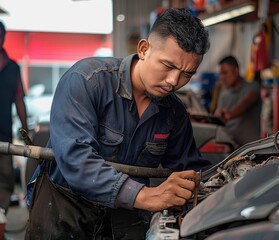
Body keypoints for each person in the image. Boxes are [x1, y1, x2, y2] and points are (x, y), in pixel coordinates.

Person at [25, 8, 211, 239]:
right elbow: (77, 160)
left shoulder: (174, 113)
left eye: (187, 74)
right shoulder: (86, 81)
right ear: (144, 49)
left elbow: (190, 168)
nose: (174, 81)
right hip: (65, 213)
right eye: (168, 66)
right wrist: (146, 196)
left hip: (123, 222)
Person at [0, 21, 28, 215]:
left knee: (5, 181)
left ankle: (1, 222)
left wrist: (25, 130)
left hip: (4, 134)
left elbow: (19, 100)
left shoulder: (12, 68)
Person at [214, 55, 261, 146]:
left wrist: (230, 114)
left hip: (251, 147)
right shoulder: (223, 93)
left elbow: (246, 102)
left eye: (225, 73)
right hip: (232, 146)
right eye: (220, 74)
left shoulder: (252, 86)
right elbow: (220, 117)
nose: (222, 77)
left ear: (236, 71)